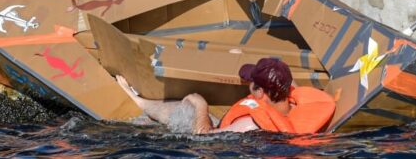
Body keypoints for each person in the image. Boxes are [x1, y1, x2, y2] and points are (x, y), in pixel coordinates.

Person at [116, 58, 335, 135]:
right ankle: (142, 102)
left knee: (194, 103)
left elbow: (204, 139)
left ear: (260, 92)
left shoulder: (249, 123)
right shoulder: (297, 105)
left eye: (251, 84)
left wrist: (200, 106)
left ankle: (138, 101)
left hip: (220, 141)